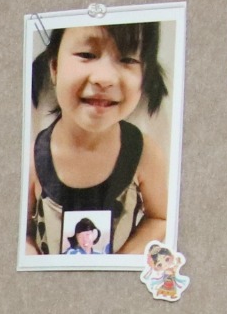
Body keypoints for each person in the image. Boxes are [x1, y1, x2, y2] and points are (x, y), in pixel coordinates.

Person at [24, 22, 170, 256]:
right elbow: (18, 232)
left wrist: (120, 262)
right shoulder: (31, 158)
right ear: (54, 67)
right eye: (87, 54)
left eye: (128, 59)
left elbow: (161, 217)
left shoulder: (144, 152)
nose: (104, 78)